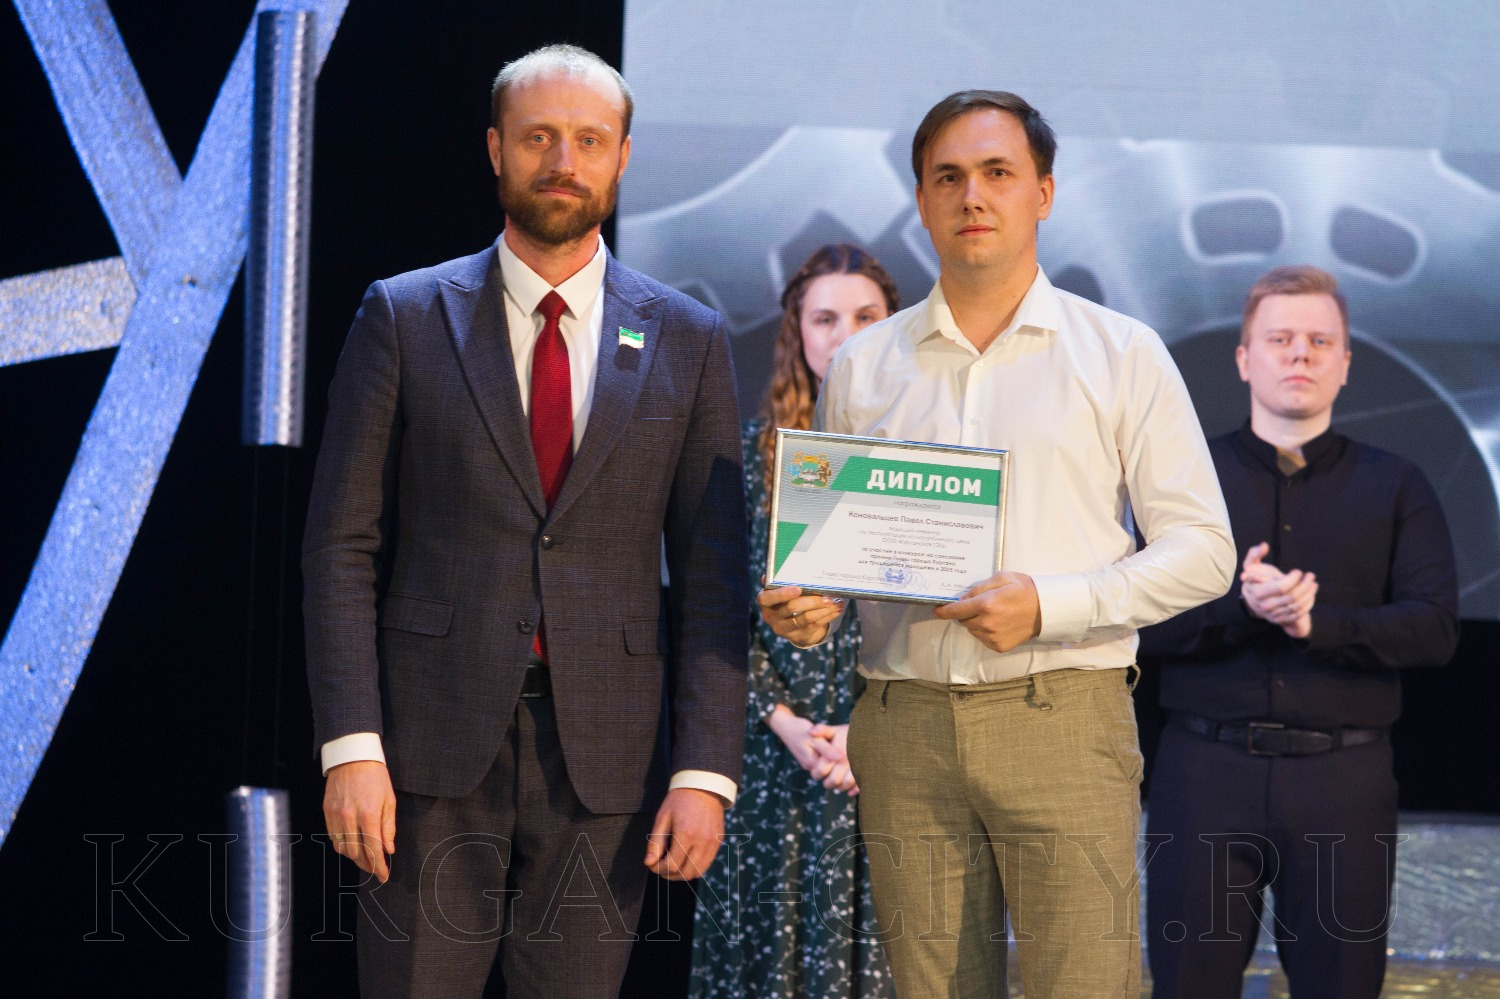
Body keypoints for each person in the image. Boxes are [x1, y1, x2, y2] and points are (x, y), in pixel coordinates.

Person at [759, 90, 1236, 998]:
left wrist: (1051, 603)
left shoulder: (1121, 352)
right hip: (904, 727)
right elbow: (843, 554)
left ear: (1043, 193)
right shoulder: (864, 363)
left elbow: (1206, 549)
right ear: (921, 200)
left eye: (997, 172)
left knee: (1085, 986)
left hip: (1061, 716)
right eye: (948, 177)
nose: (972, 195)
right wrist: (810, 605)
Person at [302, 44, 749, 999]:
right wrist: (352, 745)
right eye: (539, 137)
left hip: (607, 760)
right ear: (495, 148)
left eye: (589, 139)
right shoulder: (404, 315)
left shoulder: (690, 337)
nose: (564, 161)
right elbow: (340, 547)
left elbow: (714, 576)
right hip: (422, 754)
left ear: (622, 156)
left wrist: (706, 770)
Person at [1138, 265, 1459, 999]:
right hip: (1204, 775)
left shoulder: (1396, 484)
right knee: (1187, 986)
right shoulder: (1188, 481)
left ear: (1345, 363)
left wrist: (1317, 622)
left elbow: (1435, 628)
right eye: (1280, 339)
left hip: (1343, 783)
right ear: (1244, 358)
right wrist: (1238, 607)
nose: (1300, 355)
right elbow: (1134, 621)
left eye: (1319, 341)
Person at [689, 244, 898, 999]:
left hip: (891, 758)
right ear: (797, 333)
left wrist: (870, 732)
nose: (846, 335)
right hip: (773, 759)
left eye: (867, 317)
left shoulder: (930, 462)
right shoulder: (748, 462)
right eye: (826, 318)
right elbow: (714, 615)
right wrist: (782, 720)